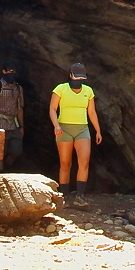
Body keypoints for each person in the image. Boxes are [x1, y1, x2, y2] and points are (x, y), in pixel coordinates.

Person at [49, 62, 102, 207]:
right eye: (76, 77)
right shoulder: (60, 89)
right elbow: (52, 109)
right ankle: (64, 197)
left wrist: (97, 130)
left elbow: (91, 112)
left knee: (83, 162)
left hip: (82, 129)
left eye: (81, 78)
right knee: (65, 163)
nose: (78, 81)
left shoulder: (88, 91)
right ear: (70, 75)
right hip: (63, 129)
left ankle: (80, 196)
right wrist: (56, 126)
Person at [0, 63, 24, 172]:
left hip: (13, 123)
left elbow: (20, 108)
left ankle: (7, 167)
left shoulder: (18, 88)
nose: (12, 74)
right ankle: (0, 173)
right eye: (10, 71)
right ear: (4, 71)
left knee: (16, 151)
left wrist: (21, 126)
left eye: (14, 71)